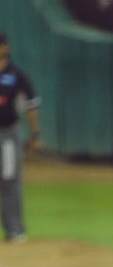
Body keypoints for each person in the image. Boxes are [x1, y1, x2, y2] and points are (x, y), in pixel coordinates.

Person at [0, 31, 40, 244]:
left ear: (6, 48)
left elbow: (31, 106)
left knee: (9, 179)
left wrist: (35, 134)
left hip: (7, 132)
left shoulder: (16, 75)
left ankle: (14, 229)